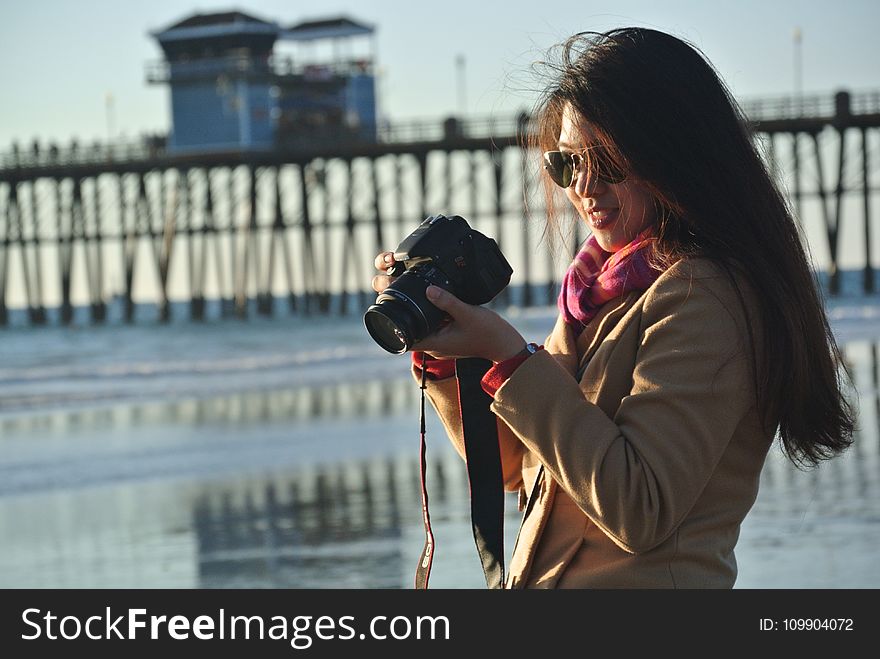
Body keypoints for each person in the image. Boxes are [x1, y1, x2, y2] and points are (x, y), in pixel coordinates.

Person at [371, 27, 855, 588]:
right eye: (566, 164)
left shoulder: (703, 295)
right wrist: (448, 356)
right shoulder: (597, 293)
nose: (585, 187)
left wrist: (507, 352)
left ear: (672, 154)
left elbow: (639, 506)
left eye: (609, 161)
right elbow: (515, 467)